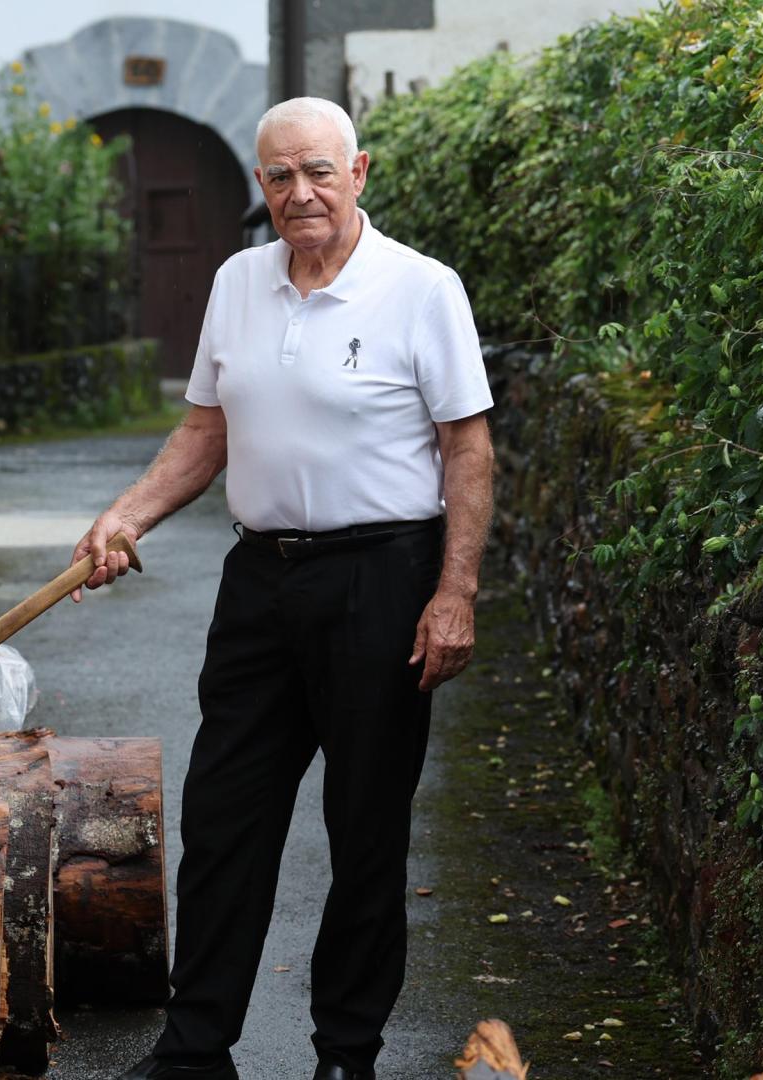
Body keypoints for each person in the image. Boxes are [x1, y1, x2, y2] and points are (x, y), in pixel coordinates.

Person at [79, 97, 496, 1080]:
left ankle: (346, 1055)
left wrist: (456, 593)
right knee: (224, 817)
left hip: (381, 580)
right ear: (260, 185)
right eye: (279, 176)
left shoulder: (421, 288)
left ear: (360, 172)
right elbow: (206, 430)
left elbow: (467, 449)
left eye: (318, 171)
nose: (299, 192)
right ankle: (195, 1052)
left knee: (365, 829)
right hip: (258, 582)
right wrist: (128, 514)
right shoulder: (238, 282)